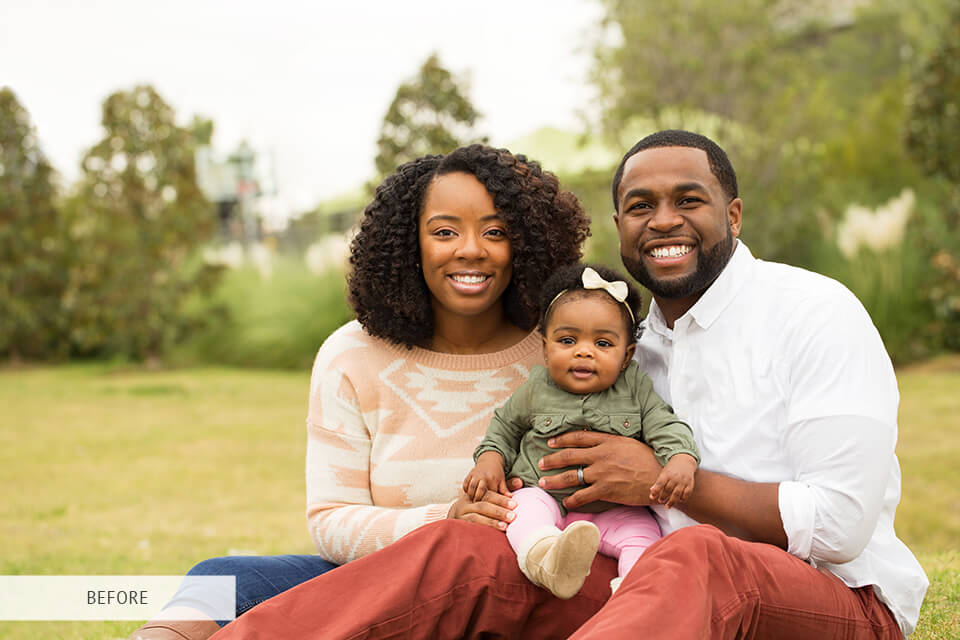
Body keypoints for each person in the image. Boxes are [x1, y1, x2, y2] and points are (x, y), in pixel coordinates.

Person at [209, 130, 928, 640]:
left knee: (695, 554)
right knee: (475, 551)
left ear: (732, 215)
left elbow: (839, 525)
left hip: (830, 604)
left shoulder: (812, 312)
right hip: (643, 590)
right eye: (641, 206)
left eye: (690, 200)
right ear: (619, 227)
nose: (665, 220)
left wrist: (663, 484)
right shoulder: (622, 346)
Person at [126, 144, 591, 640]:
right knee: (222, 582)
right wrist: (446, 521)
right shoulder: (351, 355)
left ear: (526, 243)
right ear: (409, 243)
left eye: (495, 231)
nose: (471, 249)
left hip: (515, 590)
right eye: (444, 231)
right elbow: (329, 520)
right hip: (382, 583)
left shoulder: (563, 351)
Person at [464, 263, 698, 599]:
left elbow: (665, 424)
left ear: (626, 355)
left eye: (603, 343)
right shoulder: (535, 389)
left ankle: (633, 596)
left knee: (643, 537)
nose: (584, 351)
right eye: (568, 340)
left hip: (613, 508)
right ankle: (547, 559)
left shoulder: (635, 388)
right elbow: (503, 429)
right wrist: (489, 461)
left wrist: (680, 460)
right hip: (544, 495)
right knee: (519, 512)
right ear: (545, 348)